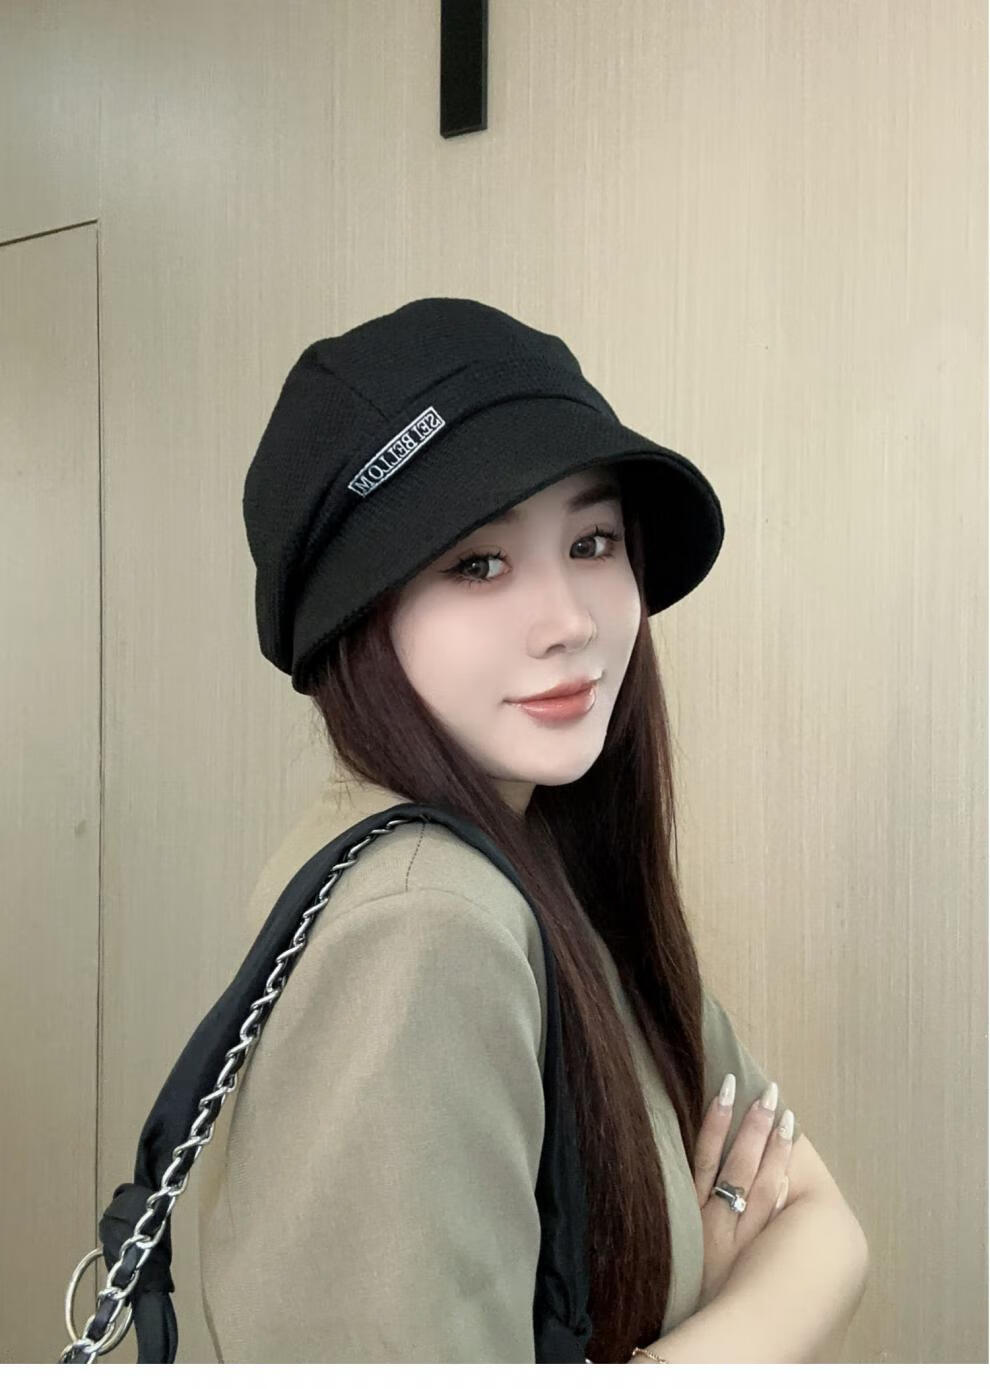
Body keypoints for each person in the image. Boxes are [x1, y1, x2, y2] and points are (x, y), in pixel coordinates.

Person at [196, 298, 807, 1364]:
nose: (569, 620)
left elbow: (827, 1228)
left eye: (592, 541)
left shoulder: (541, 870)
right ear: (357, 619)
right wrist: (696, 1321)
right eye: (477, 563)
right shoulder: (430, 923)